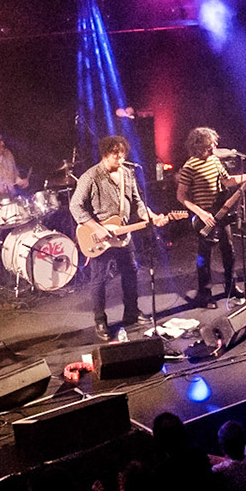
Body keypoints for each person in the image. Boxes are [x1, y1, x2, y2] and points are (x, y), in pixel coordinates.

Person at [70, 134, 170, 341]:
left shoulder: (127, 174)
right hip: (100, 236)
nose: (120, 158)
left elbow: (138, 203)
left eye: (122, 154)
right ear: (106, 154)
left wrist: (152, 217)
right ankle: (100, 320)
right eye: (116, 155)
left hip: (123, 233)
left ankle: (131, 312)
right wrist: (95, 227)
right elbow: (75, 205)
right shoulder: (91, 176)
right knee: (98, 280)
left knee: (131, 272)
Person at [176, 125, 246, 308]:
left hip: (221, 211)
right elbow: (181, 195)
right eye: (211, 141)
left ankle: (231, 286)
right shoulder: (190, 166)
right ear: (200, 144)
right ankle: (204, 294)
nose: (215, 144)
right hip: (204, 215)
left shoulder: (215, 160)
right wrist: (200, 212)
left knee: (229, 250)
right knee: (205, 255)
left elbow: (228, 181)